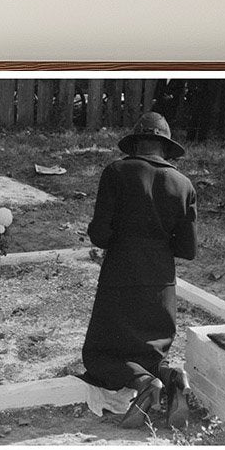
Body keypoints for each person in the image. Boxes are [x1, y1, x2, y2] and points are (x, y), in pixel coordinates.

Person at [81, 112, 197, 428]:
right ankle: (172, 376)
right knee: (150, 355)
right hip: (161, 285)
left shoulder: (116, 172)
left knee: (100, 355)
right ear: (164, 147)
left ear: (136, 144)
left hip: (120, 278)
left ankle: (144, 385)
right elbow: (188, 249)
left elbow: (100, 234)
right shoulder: (184, 184)